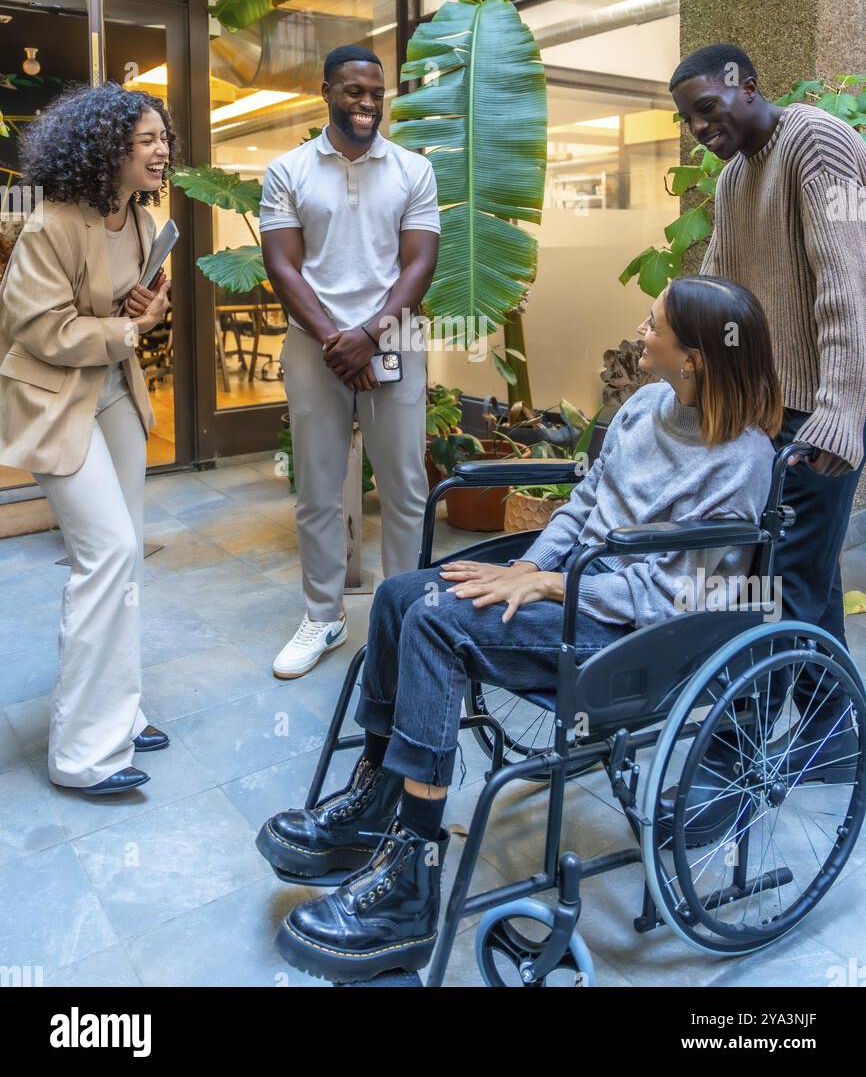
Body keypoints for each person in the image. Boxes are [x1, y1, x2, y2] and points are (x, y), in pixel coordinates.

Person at [257, 276, 782, 982]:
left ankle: (411, 884)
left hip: (630, 635)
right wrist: (525, 570)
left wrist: (548, 584)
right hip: (571, 594)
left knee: (438, 625)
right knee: (399, 598)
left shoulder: (742, 459)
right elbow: (583, 504)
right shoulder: (644, 406)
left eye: (654, 324)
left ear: (693, 358)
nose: (640, 328)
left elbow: (672, 592)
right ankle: (375, 803)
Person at [669, 43, 866, 766]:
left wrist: (842, 413)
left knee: (785, 581)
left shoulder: (815, 139)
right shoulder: (732, 180)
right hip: (766, 411)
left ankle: (747, 744)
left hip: (822, 409)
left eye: (708, 109)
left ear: (747, 87)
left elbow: (848, 286)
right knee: (792, 578)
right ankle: (831, 738)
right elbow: (716, 289)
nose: (699, 127)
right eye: (688, 119)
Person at [0, 83, 172, 796]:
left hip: (112, 389)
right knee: (108, 553)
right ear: (108, 148)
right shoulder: (51, 223)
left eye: (165, 138)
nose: (163, 150)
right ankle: (80, 753)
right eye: (149, 139)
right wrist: (130, 328)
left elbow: (123, 309)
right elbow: (40, 328)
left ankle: (118, 711)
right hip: (54, 398)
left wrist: (149, 308)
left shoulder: (136, 218)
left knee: (124, 558)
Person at [259, 45, 440, 680]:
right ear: (328, 92)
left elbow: (419, 262)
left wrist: (371, 333)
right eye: (353, 91)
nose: (366, 102)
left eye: (375, 92)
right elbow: (281, 265)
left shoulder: (414, 170)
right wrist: (341, 340)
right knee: (317, 487)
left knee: (405, 487)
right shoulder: (288, 170)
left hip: (394, 340)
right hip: (316, 347)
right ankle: (323, 616)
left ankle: (410, 617)